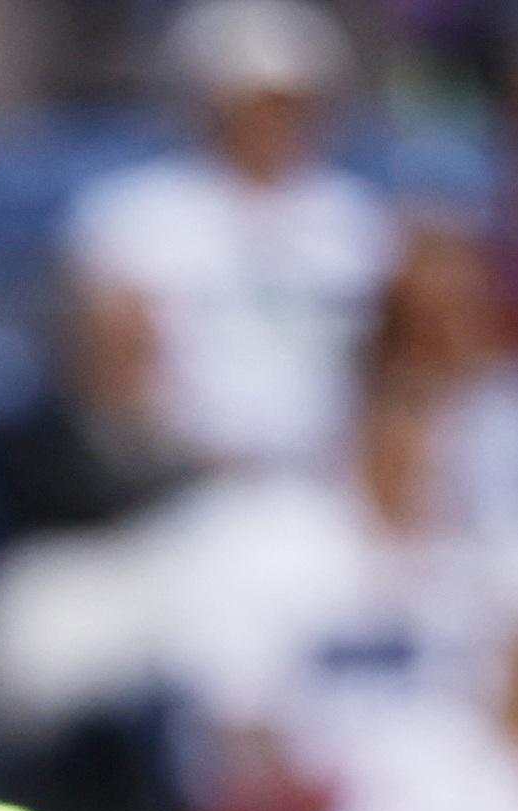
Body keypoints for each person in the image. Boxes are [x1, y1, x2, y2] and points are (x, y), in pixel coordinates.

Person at [63, 0, 395, 477]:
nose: (275, 123)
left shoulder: (361, 220)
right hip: (182, 483)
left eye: (292, 104)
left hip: (334, 482)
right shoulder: (130, 217)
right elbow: (114, 395)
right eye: (256, 104)